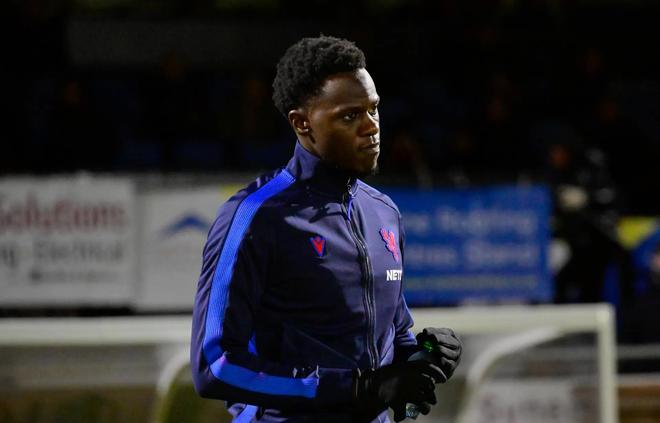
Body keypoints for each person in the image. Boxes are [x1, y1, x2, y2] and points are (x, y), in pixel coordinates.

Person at [190, 35, 462, 423]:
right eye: (349, 116)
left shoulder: (383, 212)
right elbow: (214, 366)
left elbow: (392, 336)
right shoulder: (256, 217)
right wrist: (359, 388)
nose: (371, 127)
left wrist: (421, 357)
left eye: (374, 109)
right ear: (302, 123)